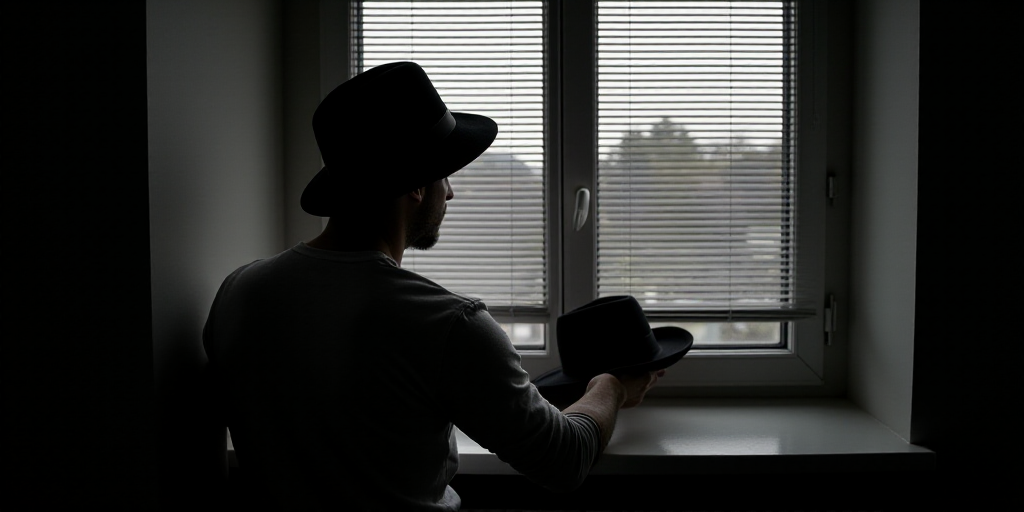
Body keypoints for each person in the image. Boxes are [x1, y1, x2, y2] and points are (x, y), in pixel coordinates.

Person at [203, 61, 663, 511]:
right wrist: (611, 386)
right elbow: (564, 462)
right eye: (445, 174)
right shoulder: (446, 324)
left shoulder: (239, 293)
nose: (451, 192)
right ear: (418, 186)